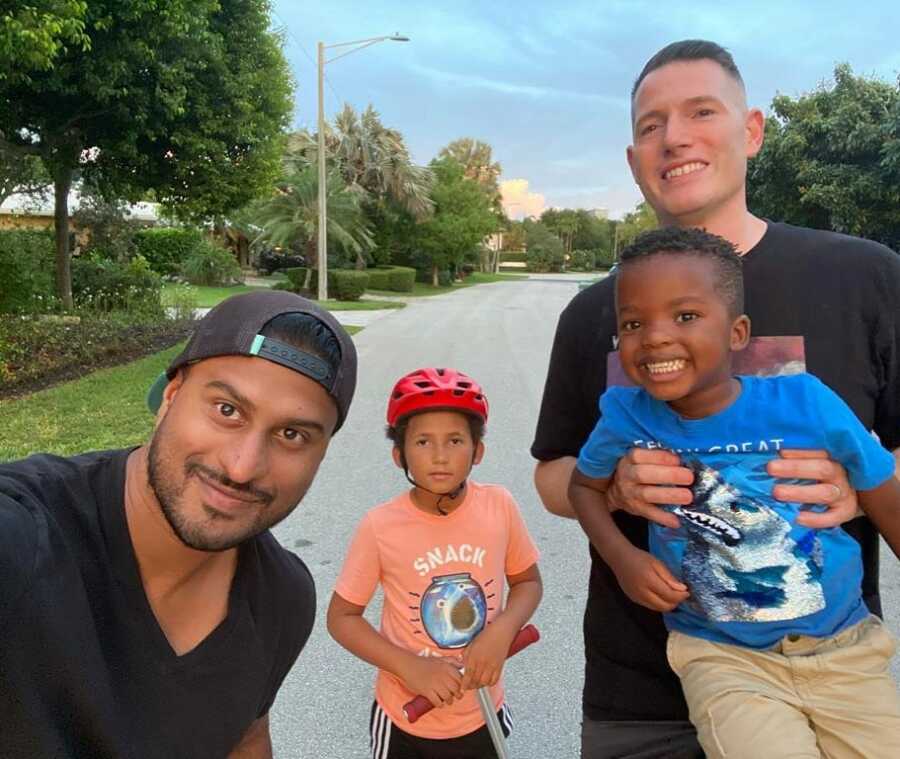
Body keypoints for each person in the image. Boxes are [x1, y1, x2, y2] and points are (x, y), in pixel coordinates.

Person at [531, 39, 900, 759]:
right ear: (635, 159)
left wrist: (860, 488)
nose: (674, 137)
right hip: (640, 696)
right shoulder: (592, 314)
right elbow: (555, 474)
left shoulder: (866, 279)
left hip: (831, 667)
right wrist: (616, 489)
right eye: (650, 125)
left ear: (752, 130)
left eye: (702, 111)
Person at [568, 226, 900, 758]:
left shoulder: (806, 400)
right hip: (724, 658)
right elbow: (583, 486)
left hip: (846, 647)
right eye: (633, 323)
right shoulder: (625, 412)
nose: (654, 336)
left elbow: (881, 489)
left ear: (737, 333)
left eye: (685, 316)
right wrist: (622, 557)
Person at [0, 290, 357, 758]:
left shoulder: (282, 598)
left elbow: (245, 738)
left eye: (292, 435)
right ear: (171, 396)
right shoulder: (25, 535)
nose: (242, 467)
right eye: (227, 410)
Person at [327, 367, 542, 758]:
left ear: (477, 451)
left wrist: (503, 630)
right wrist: (409, 667)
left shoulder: (500, 507)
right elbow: (342, 619)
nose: (440, 456)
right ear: (399, 455)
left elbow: (528, 583)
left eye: (455, 440)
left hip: (483, 709)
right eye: (423, 441)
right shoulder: (380, 527)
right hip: (406, 719)